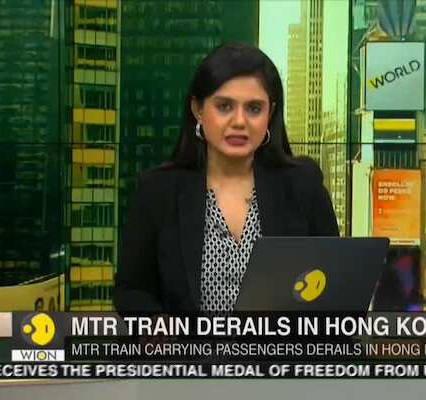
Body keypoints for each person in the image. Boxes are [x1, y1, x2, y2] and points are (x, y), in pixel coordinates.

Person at [114, 43, 338, 314]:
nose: (239, 121)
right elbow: (131, 291)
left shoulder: (303, 185)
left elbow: (333, 286)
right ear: (197, 109)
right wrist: (158, 324)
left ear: (270, 114)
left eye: (254, 108)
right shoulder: (158, 191)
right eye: (224, 106)